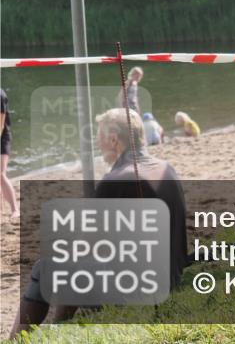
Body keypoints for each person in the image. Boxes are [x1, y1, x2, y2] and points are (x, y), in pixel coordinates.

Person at [11, 108, 188, 338]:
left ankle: (14, 340)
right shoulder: (167, 169)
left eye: (99, 136)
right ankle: (60, 330)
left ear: (114, 139)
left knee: (44, 269)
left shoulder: (115, 181)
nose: (97, 142)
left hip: (137, 290)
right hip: (171, 277)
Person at [1, 88, 17, 220]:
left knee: (1, 173)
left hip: (2, 138)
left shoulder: (0, 95)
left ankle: (15, 210)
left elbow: (0, 125)